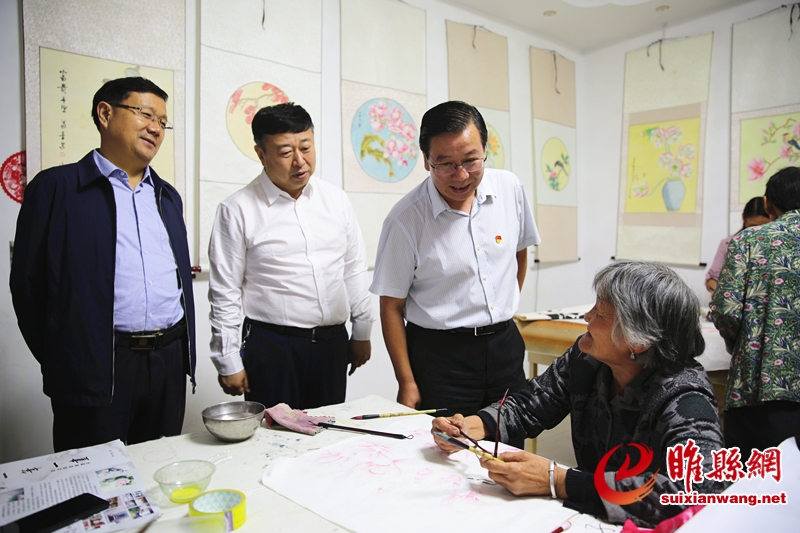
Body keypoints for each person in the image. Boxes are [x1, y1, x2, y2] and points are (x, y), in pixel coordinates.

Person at [432, 261, 725, 528]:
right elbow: (531, 404)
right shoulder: (587, 360)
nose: (587, 317)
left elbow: (699, 491)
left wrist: (559, 481)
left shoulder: (685, 397)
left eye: (600, 313)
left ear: (638, 341)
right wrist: (473, 426)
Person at [10, 77, 196, 452]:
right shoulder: (56, 188)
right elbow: (28, 288)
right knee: (95, 475)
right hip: (96, 365)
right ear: (106, 114)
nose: (156, 128)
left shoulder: (166, 196)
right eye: (145, 114)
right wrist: (67, 355)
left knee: (160, 468)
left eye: (163, 121)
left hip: (168, 362)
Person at [370, 101, 540, 422]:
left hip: (505, 347)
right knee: (449, 446)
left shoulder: (510, 189)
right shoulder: (406, 220)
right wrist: (406, 381)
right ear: (426, 161)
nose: (460, 175)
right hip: (441, 360)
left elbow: (519, 252)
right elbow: (391, 306)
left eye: (471, 160)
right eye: (445, 164)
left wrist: (503, 306)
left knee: (507, 440)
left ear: (485, 150)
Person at [208, 103, 372, 410]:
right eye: (285, 152)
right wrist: (227, 358)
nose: (300, 161)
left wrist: (362, 329)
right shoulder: (237, 209)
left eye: (306, 148)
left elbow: (353, 269)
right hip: (272, 348)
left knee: (327, 430)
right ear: (261, 154)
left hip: (331, 345)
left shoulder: (336, 200)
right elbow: (224, 290)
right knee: (273, 434)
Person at [710, 166, 800, 453]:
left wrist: (742, 345)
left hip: (758, 387)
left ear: (767, 203)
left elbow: (725, 310)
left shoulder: (749, 241)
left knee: (757, 474)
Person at [705, 196, 769, 293]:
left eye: (764, 227)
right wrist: (716, 291)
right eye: (753, 226)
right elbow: (712, 278)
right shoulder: (728, 244)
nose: (757, 232)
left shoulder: (777, 246)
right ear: (744, 218)